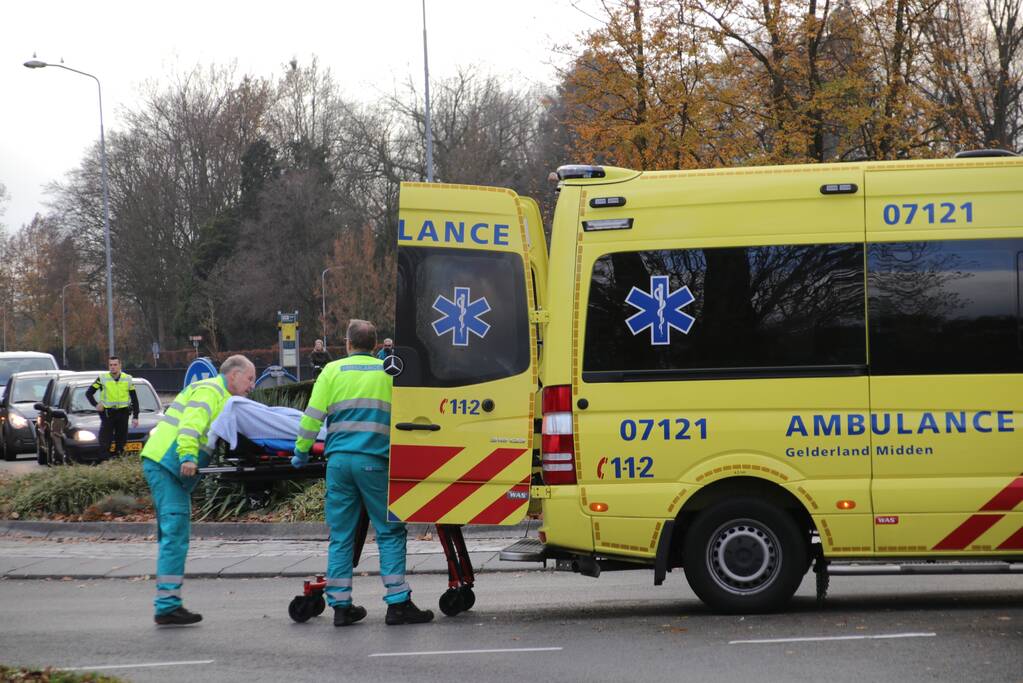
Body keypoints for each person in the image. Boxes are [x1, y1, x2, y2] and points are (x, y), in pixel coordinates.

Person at [292, 320, 433, 627]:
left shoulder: (331, 371)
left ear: (347, 344)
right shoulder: (388, 372)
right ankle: (397, 603)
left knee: (341, 536)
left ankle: (341, 606)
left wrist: (301, 452)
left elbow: (312, 417)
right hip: (375, 464)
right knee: (389, 531)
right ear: (374, 346)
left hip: (339, 464)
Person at [140, 354, 256, 626]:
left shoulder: (221, 397)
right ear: (233, 375)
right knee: (175, 533)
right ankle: (167, 606)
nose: (252, 385)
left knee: (173, 533)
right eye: (249, 378)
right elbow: (190, 425)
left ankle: (168, 603)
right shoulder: (210, 391)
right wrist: (188, 457)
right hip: (168, 465)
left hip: (164, 465)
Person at [85, 356, 140, 457]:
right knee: (105, 442)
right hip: (108, 414)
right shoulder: (102, 378)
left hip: (123, 414)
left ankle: (118, 463)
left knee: (121, 442)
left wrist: (136, 416)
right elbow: (89, 393)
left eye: (115, 365)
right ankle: (105, 464)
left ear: (120, 365)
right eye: (110, 365)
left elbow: (134, 399)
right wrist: (96, 404)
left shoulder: (127, 379)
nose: (113, 367)